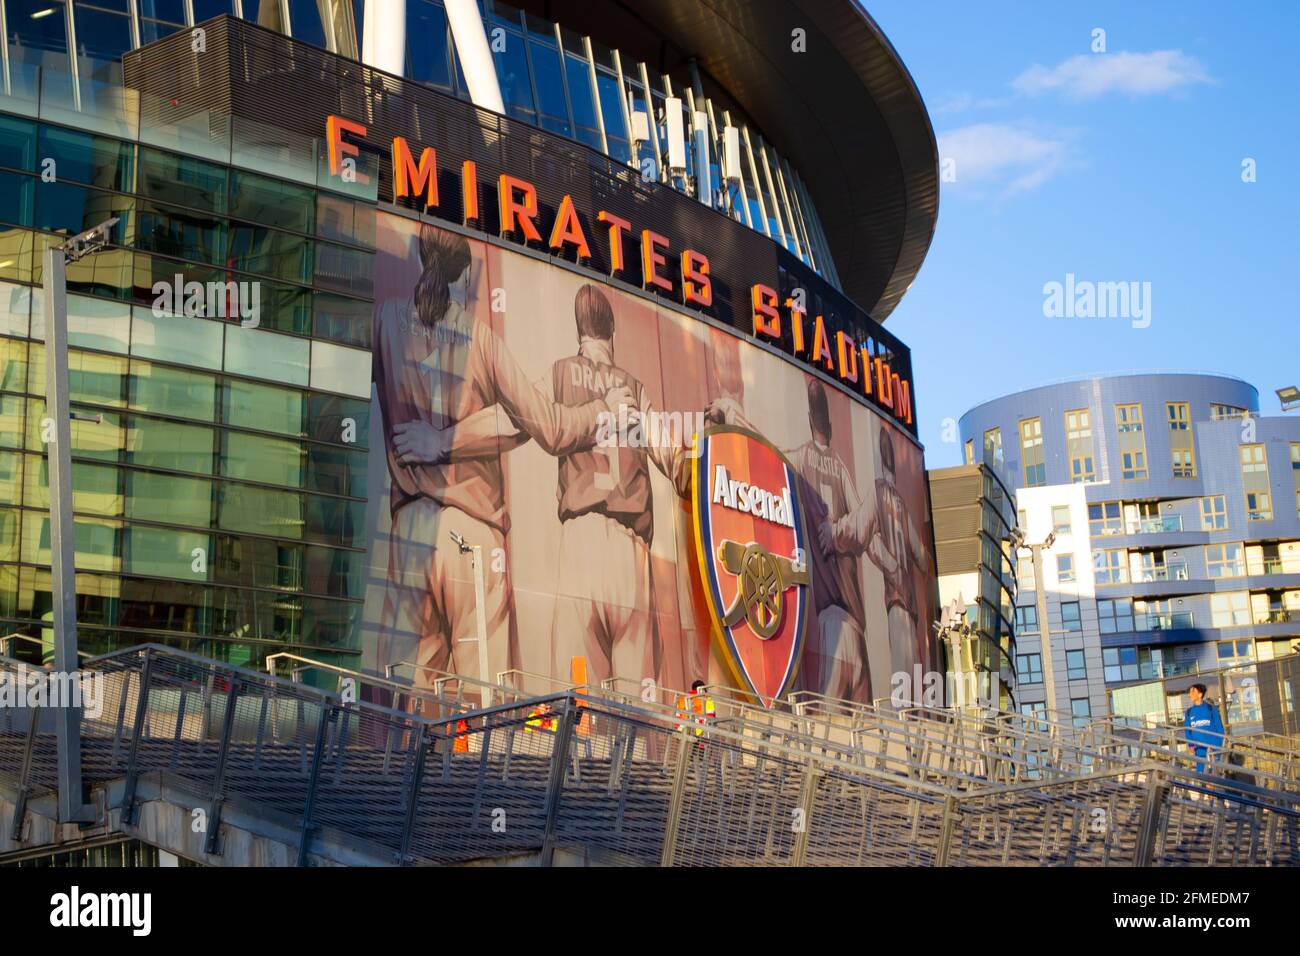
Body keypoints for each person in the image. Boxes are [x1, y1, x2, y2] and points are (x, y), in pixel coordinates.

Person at [372, 224, 630, 698]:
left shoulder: (386, 321)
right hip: (471, 535)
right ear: (466, 279)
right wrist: (603, 410)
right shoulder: (481, 340)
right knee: (484, 703)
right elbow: (550, 428)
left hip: (407, 534)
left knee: (409, 706)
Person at [1183, 683, 1225, 774]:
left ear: (1200, 694)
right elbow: (1187, 731)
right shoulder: (1189, 712)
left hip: (1214, 747)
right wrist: (1190, 745)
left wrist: (1222, 743)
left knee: (1215, 775)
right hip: (1199, 749)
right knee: (1202, 775)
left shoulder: (1211, 708)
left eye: (1192, 692)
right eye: (1189, 692)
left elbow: (1219, 727)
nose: (1190, 695)